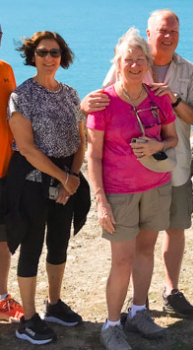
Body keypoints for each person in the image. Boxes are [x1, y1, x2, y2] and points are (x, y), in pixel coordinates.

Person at [82, 9, 193, 318]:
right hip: (126, 178)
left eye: (174, 32)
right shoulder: (129, 60)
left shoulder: (187, 72)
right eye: (162, 31)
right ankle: (134, 307)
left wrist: (174, 101)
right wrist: (83, 105)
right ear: (149, 35)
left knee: (174, 228)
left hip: (170, 169)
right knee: (129, 247)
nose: (168, 36)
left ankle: (169, 292)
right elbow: (102, 101)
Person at [86, 28, 178, 350]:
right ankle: (111, 326)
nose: (135, 65)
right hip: (119, 193)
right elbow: (93, 156)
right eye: (129, 60)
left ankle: (139, 312)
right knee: (122, 260)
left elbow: (173, 139)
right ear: (118, 62)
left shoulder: (159, 98)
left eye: (141, 60)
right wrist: (100, 201)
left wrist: (157, 145)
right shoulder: (103, 102)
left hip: (156, 187)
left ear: (148, 63)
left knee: (145, 251)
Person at [6, 31, 86, 344]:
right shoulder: (21, 96)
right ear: (32, 56)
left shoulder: (70, 93)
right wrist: (64, 178)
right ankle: (27, 320)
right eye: (43, 52)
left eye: (55, 52)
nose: (49, 58)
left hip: (66, 177)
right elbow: (26, 148)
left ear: (62, 57)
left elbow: (80, 139)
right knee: (32, 247)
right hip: (31, 181)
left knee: (59, 243)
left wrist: (73, 177)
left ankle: (53, 305)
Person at [0, 20, 24, 322]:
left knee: (2, 238)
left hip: (5, 172)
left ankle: (2, 298)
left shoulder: (6, 70)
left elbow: (15, 117)